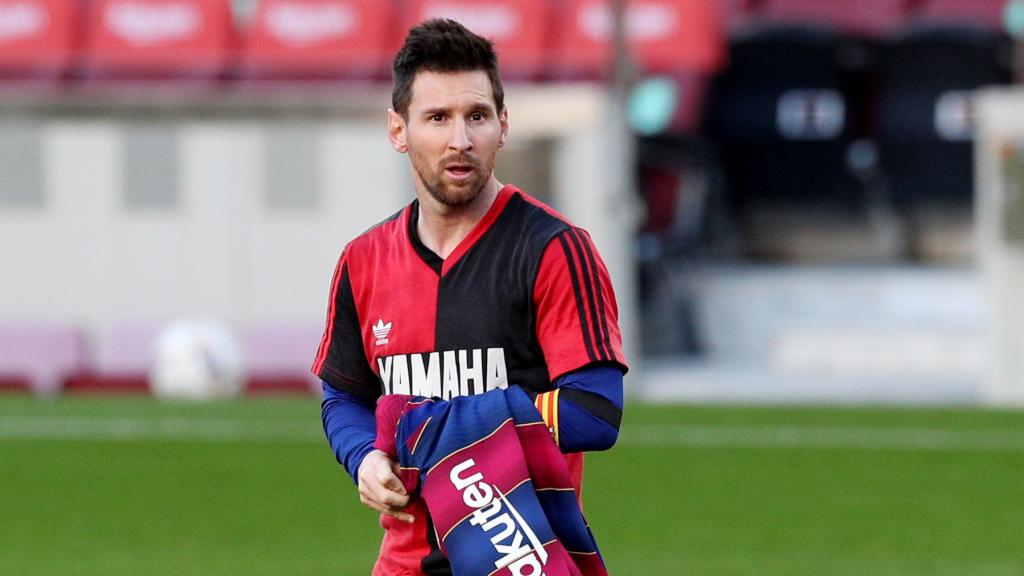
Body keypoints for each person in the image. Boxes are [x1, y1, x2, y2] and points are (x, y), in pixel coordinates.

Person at [314, 18, 627, 576]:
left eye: (476, 116)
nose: (460, 140)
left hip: (519, 558)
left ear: (503, 125)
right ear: (398, 130)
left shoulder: (554, 250)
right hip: (403, 564)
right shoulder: (363, 260)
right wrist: (364, 457)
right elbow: (344, 396)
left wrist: (435, 423)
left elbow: (595, 411)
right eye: (438, 118)